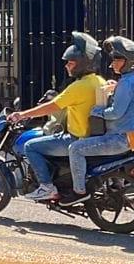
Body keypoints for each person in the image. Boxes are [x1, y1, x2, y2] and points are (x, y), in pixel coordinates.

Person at [7, 31, 105, 203]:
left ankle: (46, 187)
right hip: (93, 137)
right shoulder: (99, 81)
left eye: (70, 62)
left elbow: (51, 107)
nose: (67, 66)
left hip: (76, 139)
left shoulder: (78, 87)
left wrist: (22, 114)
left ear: (82, 64)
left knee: (31, 146)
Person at [63, 35, 134, 203]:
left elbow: (115, 113)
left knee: (75, 148)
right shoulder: (127, 81)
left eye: (117, 59)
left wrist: (97, 111)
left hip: (118, 138)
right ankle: (112, 184)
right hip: (127, 137)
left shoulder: (126, 82)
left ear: (128, 61)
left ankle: (79, 192)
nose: (112, 63)